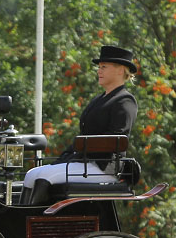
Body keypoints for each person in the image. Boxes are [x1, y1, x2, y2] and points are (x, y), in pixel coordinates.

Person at [21, 45, 139, 205]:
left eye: (104, 67)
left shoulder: (125, 101)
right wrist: (68, 155)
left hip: (103, 167)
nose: (99, 71)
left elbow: (118, 138)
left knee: (44, 177)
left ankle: (36, 224)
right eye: (99, 67)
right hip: (84, 162)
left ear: (120, 70)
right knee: (31, 174)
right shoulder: (99, 99)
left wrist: (82, 148)